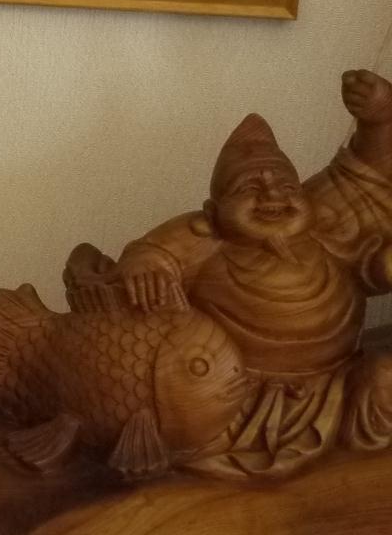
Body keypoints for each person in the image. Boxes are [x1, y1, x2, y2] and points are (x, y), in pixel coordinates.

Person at [113, 68, 392, 473]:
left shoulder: (323, 230)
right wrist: (144, 265)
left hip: (335, 385)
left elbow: (368, 175)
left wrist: (380, 119)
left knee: (385, 378)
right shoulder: (207, 238)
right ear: (214, 211)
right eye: (248, 188)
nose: (272, 195)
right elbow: (152, 252)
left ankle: (354, 470)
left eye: (287, 186)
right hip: (234, 395)